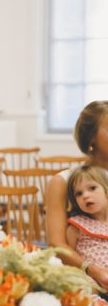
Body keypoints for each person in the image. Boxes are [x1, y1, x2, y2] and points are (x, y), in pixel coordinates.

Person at [46, 100, 108, 288]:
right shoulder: (62, 181)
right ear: (91, 138)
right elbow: (57, 244)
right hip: (82, 278)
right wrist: (93, 270)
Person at [66, 165, 108, 271]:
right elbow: (68, 259)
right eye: (79, 194)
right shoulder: (76, 227)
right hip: (90, 279)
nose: (85, 196)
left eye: (92, 188)